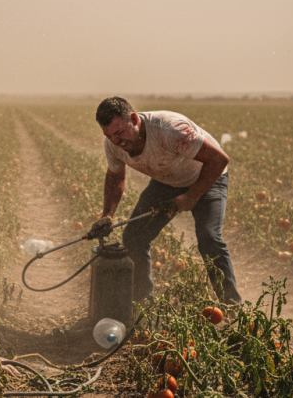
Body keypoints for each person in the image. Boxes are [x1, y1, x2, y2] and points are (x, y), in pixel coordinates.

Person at [90, 97, 241, 305]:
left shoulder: (171, 131)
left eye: (119, 133)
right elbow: (116, 176)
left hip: (208, 176)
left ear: (134, 119)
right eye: (108, 135)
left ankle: (232, 305)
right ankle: (143, 303)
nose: (115, 141)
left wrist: (191, 197)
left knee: (209, 237)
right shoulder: (113, 144)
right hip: (167, 181)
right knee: (134, 236)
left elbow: (219, 160)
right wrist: (107, 214)